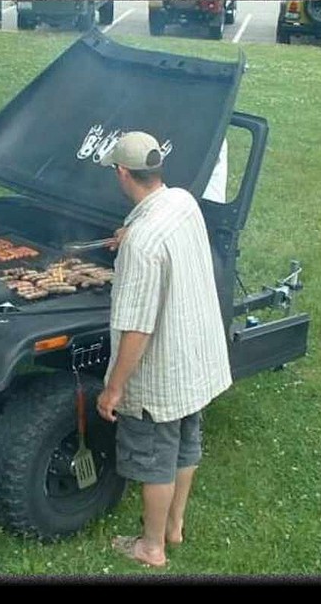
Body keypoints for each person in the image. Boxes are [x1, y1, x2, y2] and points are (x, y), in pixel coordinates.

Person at [96, 131, 232, 568]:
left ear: (122, 172)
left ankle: (150, 547)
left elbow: (137, 329)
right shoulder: (182, 201)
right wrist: (129, 230)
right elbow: (157, 227)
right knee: (185, 444)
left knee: (155, 458)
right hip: (195, 359)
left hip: (160, 372)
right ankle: (174, 527)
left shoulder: (142, 244)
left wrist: (113, 389)